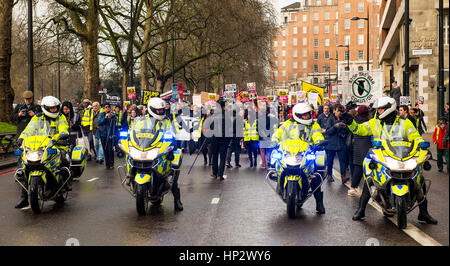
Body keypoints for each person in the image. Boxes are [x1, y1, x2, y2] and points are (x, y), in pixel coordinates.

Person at [342, 97, 437, 224]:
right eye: (378, 109)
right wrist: (350, 122)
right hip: (382, 157)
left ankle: (423, 213)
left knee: (419, 180)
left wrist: (423, 147)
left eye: (381, 109)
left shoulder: (405, 122)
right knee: (370, 179)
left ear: (389, 108)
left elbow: (415, 136)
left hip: (403, 156)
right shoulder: (374, 122)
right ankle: (361, 210)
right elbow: (359, 129)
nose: (379, 111)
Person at [14, 96, 70, 208]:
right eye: (52, 108)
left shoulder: (61, 117)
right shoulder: (37, 118)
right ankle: (24, 198)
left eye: (55, 108)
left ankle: (64, 183)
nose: (54, 110)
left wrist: (59, 137)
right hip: (38, 146)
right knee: (25, 165)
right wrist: (21, 138)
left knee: (64, 159)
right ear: (45, 108)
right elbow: (29, 130)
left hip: (57, 145)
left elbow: (64, 129)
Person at [272, 103, 326, 214]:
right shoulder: (288, 124)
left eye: (308, 114)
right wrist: (273, 140)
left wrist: (319, 142)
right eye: (305, 115)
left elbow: (317, 135)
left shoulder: (313, 125)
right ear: (298, 115)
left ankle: (319, 203)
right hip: (289, 154)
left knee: (315, 175)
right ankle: (280, 182)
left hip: (306, 153)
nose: (307, 116)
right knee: (276, 164)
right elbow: (278, 133)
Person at [150, 97, 183, 210]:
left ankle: (177, 200)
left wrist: (171, 148)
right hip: (149, 149)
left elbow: (171, 134)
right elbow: (135, 133)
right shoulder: (142, 121)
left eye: (162, 110)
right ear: (152, 109)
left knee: (171, 174)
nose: (160, 112)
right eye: (158, 110)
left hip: (162, 151)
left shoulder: (166, 121)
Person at [347, 105, 372, 196]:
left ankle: (352, 188)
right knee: (370, 169)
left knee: (358, 168)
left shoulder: (354, 121)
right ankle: (369, 189)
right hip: (367, 146)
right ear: (367, 114)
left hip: (356, 146)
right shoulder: (370, 122)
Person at [324, 104, 350, 184]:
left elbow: (348, 131)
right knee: (330, 161)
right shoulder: (331, 119)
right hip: (331, 143)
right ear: (334, 110)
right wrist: (335, 127)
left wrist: (345, 127)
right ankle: (329, 175)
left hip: (341, 143)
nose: (339, 112)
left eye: (340, 111)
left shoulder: (344, 119)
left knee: (343, 161)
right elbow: (327, 132)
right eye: (338, 111)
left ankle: (343, 176)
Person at [210, 99, 232, 180]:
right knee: (223, 157)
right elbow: (230, 126)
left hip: (215, 138)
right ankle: (220, 174)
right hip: (224, 139)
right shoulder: (227, 115)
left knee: (215, 155)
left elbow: (211, 126)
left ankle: (214, 173)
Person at [97, 103, 116, 170]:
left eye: (108, 107)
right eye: (106, 107)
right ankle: (107, 164)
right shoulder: (101, 114)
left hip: (110, 135)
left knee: (110, 149)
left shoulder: (113, 115)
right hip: (103, 134)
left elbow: (114, 124)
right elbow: (99, 122)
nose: (107, 108)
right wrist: (105, 118)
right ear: (104, 108)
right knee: (105, 149)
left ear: (110, 108)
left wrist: (111, 117)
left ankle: (111, 163)